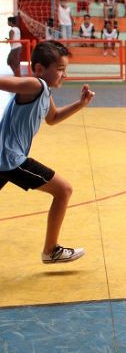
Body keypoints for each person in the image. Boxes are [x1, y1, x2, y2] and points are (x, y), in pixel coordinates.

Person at [0, 41, 95, 263]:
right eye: (60, 69)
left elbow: (52, 119)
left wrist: (80, 104)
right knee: (63, 190)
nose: (64, 75)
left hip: (3, 159)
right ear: (41, 69)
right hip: (11, 159)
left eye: (65, 70)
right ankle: (51, 250)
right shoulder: (37, 85)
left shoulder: (45, 91)